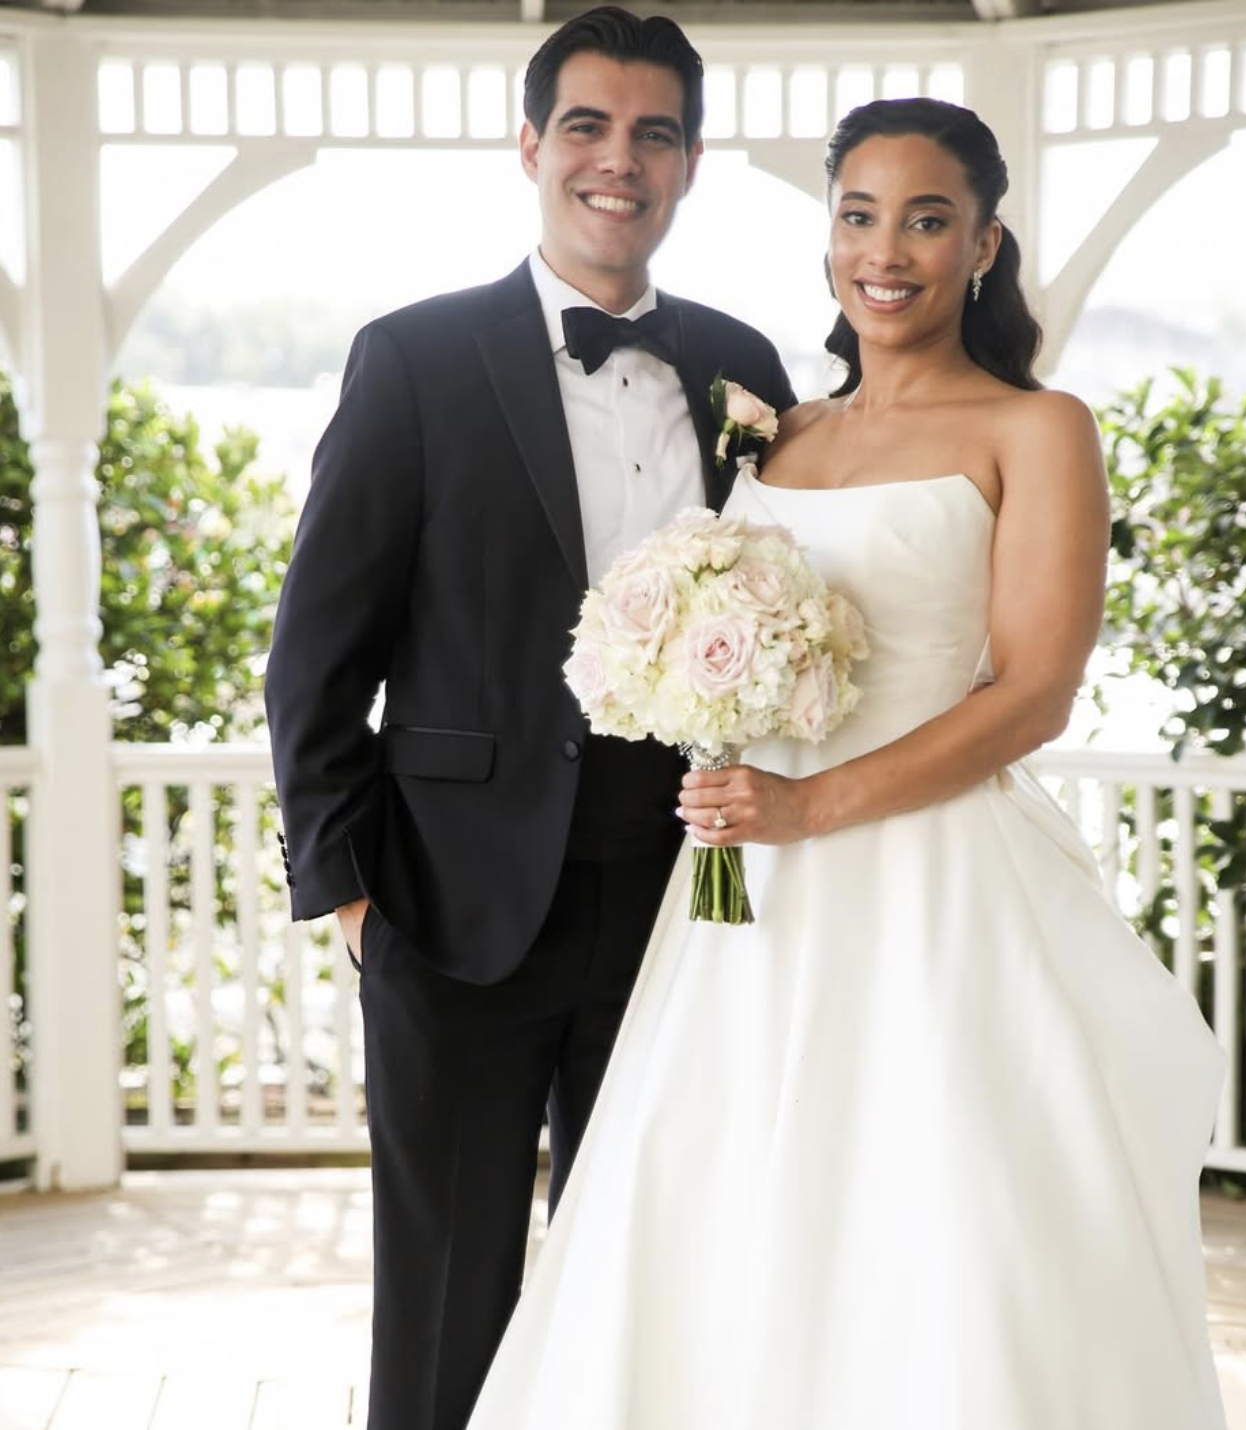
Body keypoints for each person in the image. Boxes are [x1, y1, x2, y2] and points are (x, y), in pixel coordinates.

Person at [465, 97, 1229, 1429]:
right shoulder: (781, 433)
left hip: (922, 878)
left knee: (930, 1212)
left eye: (929, 219)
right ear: (829, 234)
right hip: (742, 895)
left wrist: (814, 801)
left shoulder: (1037, 428)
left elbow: (1035, 692)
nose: (887, 250)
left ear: (985, 244)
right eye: (859, 214)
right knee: (721, 1199)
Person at [263, 8, 796, 1427]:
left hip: (690, 907)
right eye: (587, 126)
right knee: (446, 1301)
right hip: (450, 914)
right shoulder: (415, 360)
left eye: (654, 133)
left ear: (689, 163)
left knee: (660, 1278)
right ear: (529, 146)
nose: (619, 161)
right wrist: (354, 899)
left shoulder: (749, 372)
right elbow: (315, 653)